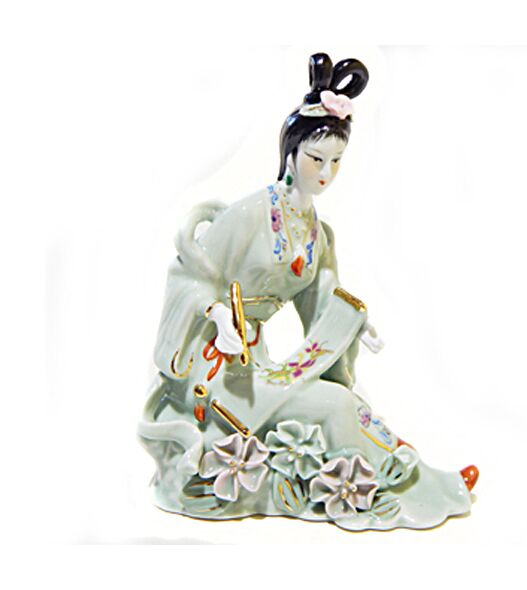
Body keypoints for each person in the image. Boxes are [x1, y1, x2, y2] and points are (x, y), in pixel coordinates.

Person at [138, 53, 479, 531]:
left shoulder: (317, 232)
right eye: (316, 159)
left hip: (258, 362)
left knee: (348, 400)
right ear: (291, 153)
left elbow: (323, 296)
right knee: (335, 406)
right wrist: (216, 313)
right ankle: (365, 488)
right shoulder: (251, 214)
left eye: (336, 162)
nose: (326, 173)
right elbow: (188, 276)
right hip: (216, 368)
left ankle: (414, 479)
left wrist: (355, 323)